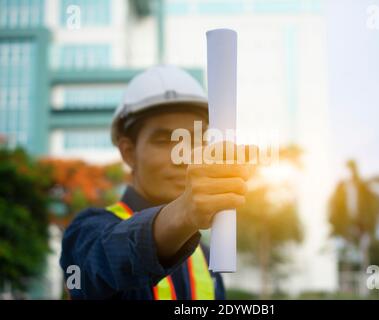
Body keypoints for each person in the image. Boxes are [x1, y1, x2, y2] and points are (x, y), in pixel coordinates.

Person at [59, 65, 249, 299]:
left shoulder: (205, 256)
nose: (185, 156)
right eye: (164, 140)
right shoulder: (86, 235)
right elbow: (95, 268)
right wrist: (185, 213)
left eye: (196, 138)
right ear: (128, 152)